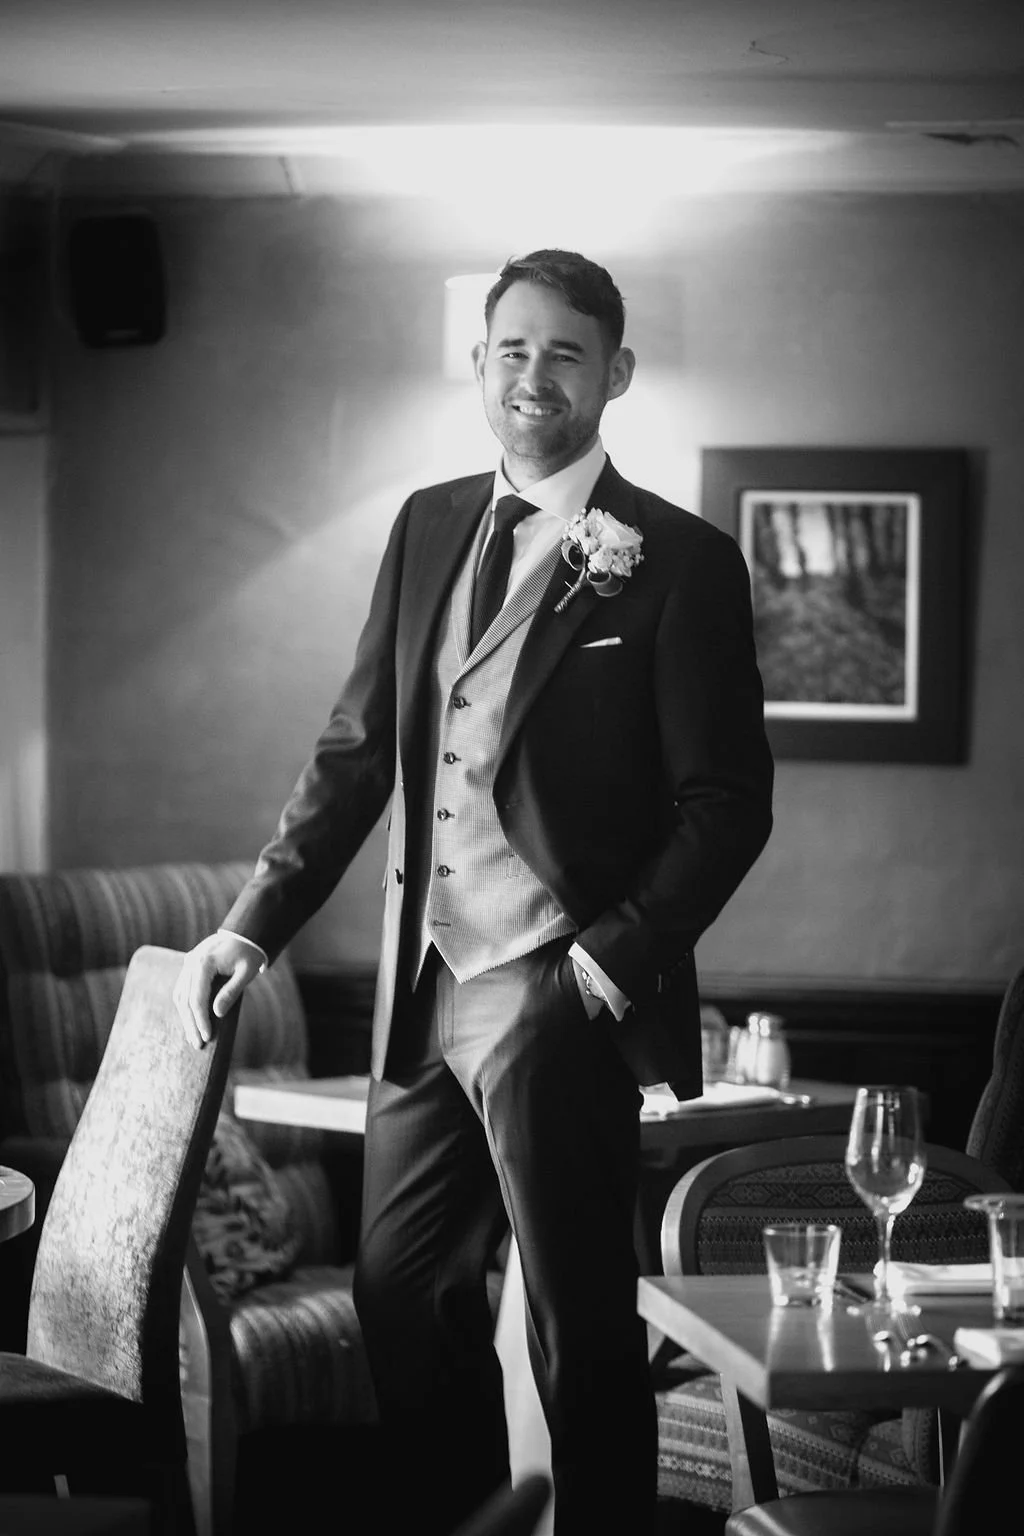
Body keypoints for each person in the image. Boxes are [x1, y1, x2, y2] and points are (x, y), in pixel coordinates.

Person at [174, 248, 774, 1535]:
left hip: (557, 989)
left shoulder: (680, 559)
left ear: (616, 372)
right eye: (512, 349)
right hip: (422, 982)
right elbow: (354, 754)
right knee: (399, 1297)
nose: (532, 375)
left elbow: (727, 805)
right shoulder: (427, 524)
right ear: (477, 363)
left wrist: (602, 965)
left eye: (564, 352)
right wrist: (249, 928)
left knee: (576, 1328)